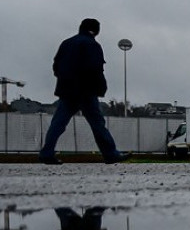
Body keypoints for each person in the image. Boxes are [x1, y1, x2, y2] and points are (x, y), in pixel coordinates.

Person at [38, 18, 127, 165]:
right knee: (97, 123)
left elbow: (56, 66)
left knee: (58, 123)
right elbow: (95, 68)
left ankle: (46, 153)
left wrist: (64, 80)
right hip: (86, 91)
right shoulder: (92, 45)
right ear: (95, 30)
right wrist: (100, 87)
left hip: (66, 90)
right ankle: (111, 154)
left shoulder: (66, 43)